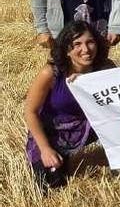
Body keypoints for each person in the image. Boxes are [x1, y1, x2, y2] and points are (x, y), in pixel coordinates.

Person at [24, 21, 114, 191]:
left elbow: (117, 105)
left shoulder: (105, 68)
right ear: (67, 50)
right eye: (77, 45)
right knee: (51, 184)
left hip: (90, 127)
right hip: (54, 133)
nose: (86, 50)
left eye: (90, 42)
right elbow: (30, 112)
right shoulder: (50, 73)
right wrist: (45, 149)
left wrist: (87, 84)